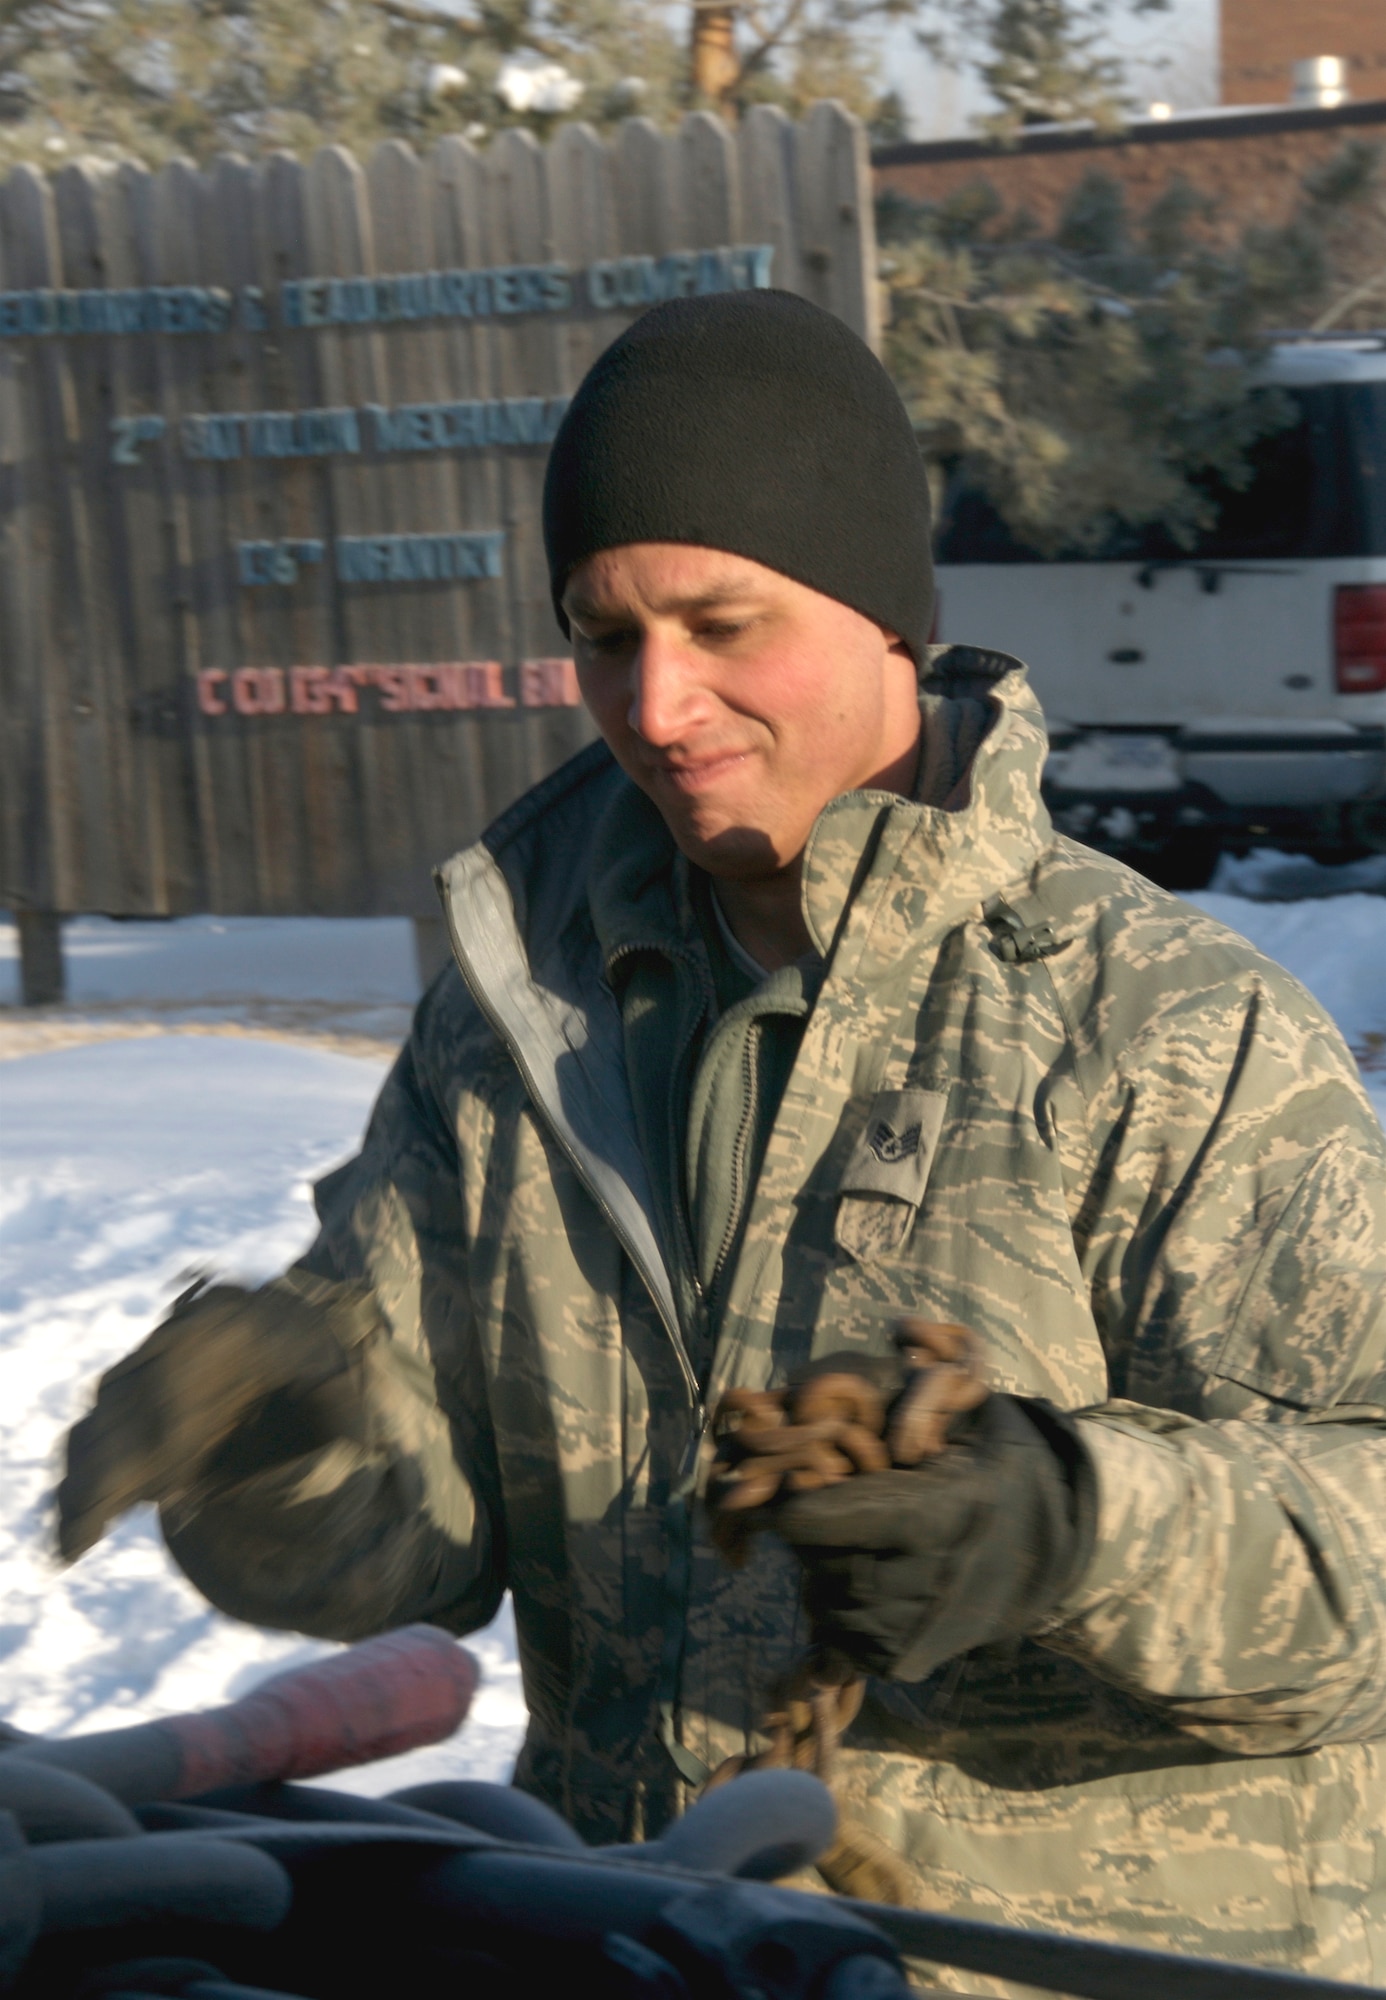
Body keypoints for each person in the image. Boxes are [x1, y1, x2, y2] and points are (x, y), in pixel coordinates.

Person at [59, 291, 1386, 1983]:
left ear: (882, 617)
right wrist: (280, 1441)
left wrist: (1074, 1521)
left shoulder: (1160, 1024)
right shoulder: (523, 1008)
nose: (655, 703)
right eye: (605, 636)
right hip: (651, 1942)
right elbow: (424, 1538)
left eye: (719, 624)